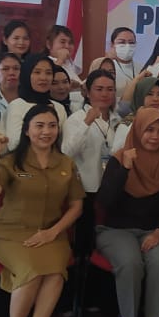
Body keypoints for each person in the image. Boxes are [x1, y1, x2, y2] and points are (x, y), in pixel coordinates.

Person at [0, 105, 86, 317]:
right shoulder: (11, 162)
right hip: (10, 233)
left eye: (52, 126)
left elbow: (76, 206)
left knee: (55, 273)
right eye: (39, 125)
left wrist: (53, 231)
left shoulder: (66, 163)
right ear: (27, 131)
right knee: (32, 271)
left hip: (52, 233)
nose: (46, 131)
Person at [95, 106, 159, 317]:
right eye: (149, 130)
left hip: (156, 230)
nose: (155, 136)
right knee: (130, 262)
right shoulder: (119, 159)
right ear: (137, 131)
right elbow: (105, 201)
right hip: (116, 230)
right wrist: (124, 169)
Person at [60, 69, 120, 260]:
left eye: (110, 89)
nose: (105, 94)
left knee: (106, 241)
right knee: (85, 241)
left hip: (110, 188)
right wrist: (87, 123)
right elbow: (66, 153)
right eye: (99, 89)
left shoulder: (117, 120)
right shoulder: (76, 119)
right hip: (85, 189)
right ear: (87, 92)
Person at [3, 55, 69, 149]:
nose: (43, 78)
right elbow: (14, 144)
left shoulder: (59, 108)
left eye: (48, 73)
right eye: (37, 72)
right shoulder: (17, 106)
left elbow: (64, 145)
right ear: (27, 74)